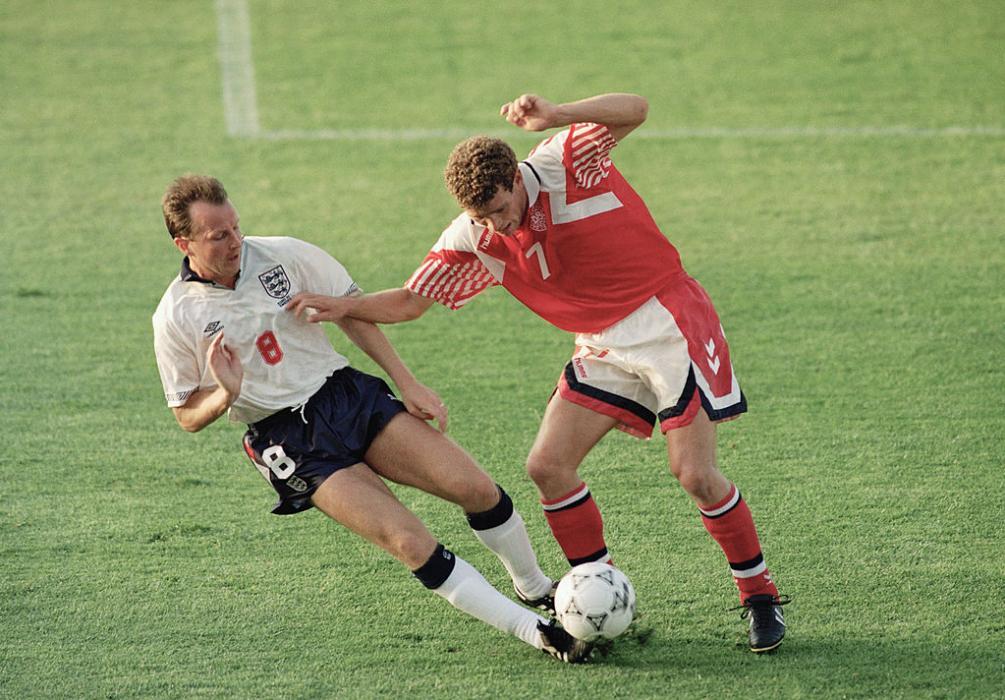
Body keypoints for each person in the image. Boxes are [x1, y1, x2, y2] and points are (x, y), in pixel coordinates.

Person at [288, 93, 790, 652]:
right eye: (483, 217)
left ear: (516, 178)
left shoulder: (566, 159)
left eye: (502, 209)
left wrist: (557, 114)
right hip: (601, 344)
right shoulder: (474, 236)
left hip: (669, 319)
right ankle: (596, 593)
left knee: (695, 474)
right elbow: (411, 300)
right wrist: (342, 307)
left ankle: (759, 595)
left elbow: (637, 109)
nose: (497, 225)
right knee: (548, 467)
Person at [151, 174, 594, 663]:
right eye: (219, 236)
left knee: (477, 489)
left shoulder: (284, 255)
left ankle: (535, 587)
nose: (236, 241)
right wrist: (225, 395)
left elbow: (352, 312)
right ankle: (538, 631)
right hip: (290, 441)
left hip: (345, 396)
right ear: (184, 243)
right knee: (409, 541)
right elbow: (187, 414)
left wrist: (407, 382)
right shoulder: (176, 315)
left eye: (235, 227)